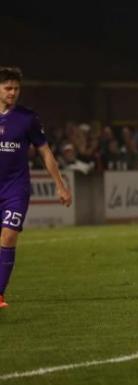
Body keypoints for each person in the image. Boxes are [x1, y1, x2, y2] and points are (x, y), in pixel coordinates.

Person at [0, 67, 72, 309]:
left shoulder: (27, 117)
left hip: (15, 189)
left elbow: (44, 151)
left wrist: (60, 185)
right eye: (8, 88)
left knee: (9, 236)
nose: (13, 93)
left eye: (16, 88)